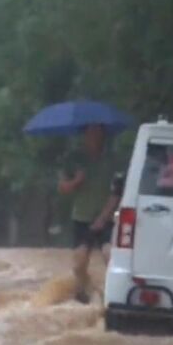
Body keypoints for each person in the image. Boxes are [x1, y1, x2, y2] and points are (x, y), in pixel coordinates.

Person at [57, 124, 121, 304]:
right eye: (90, 133)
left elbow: (116, 193)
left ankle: (112, 295)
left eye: (98, 133)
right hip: (82, 217)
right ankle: (85, 292)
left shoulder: (112, 161)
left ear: (103, 136)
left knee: (110, 256)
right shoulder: (73, 159)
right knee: (79, 263)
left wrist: (103, 218)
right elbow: (62, 188)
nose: (93, 138)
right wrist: (76, 180)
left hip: (107, 218)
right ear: (84, 135)